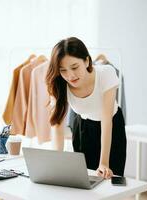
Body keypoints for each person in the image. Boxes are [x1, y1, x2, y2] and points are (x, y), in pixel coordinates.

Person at [46, 37, 126, 179]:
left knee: (110, 180)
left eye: (75, 67)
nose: (70, 75)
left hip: (111, 126)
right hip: (82, 127)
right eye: (63, 70)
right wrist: (55, 162)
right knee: (85, 180)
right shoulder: (58, 84)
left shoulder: (106, 73)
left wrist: (103, 163)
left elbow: (106, 120)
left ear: (87, 61)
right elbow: (57, 125)